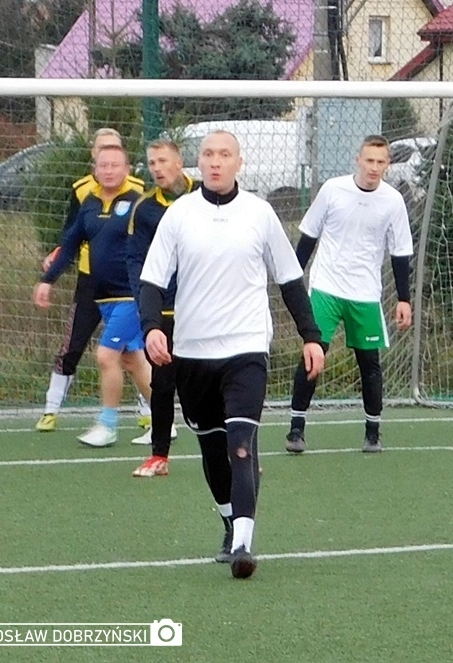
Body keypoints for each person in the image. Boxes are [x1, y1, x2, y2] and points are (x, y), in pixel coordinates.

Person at [138, 130, 325, 579]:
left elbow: (289, 280)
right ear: (198, 163)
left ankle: (243, 544)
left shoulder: (260, 213)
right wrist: (151, 329)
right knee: (212, 447)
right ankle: (228, 522)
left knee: (241, 444)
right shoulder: (180, 215)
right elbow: (152, 282)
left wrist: (311, 336)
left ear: (239, 162)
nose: (216, 161)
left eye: (225, 154)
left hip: (246, 348)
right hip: (193, 353)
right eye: (208, 154)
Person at [284, 134, 413, 454]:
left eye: (380, 162)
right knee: (314, 354)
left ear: (388, 164)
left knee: (369, 363)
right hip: (326, 287)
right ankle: (296, 429)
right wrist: (293, 282)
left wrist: (404, 298)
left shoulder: (393, 201)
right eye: (369, 160)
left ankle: (373, 432)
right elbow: (308, 236)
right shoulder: (333, 189)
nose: (374, 167)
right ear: (358, 160)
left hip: (365, 293)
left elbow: (400, 251)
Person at [34, 145, 153, 448]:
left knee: (106, 356)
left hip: (131, 296)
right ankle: (163, 420)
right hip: (102, 297)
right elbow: (69, 246)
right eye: (103, 165)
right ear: (95, 170)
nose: (109, 170)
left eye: (115, 165)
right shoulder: (89, 203)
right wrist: (47, 280)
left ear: (127, 170)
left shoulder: (139, 204)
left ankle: (107, 425)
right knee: (133, 360)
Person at [125, 139, 197, 478]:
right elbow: (135, 259)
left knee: (211, 383)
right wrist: (145, 302)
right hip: (165, 311)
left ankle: (237, 452)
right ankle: (159, 455)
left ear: (179, 162)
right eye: (152, 162)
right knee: (163, 384)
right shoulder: (145, 209)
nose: (156, 168)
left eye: (163, 161)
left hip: (203, 309)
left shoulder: (203, 197)